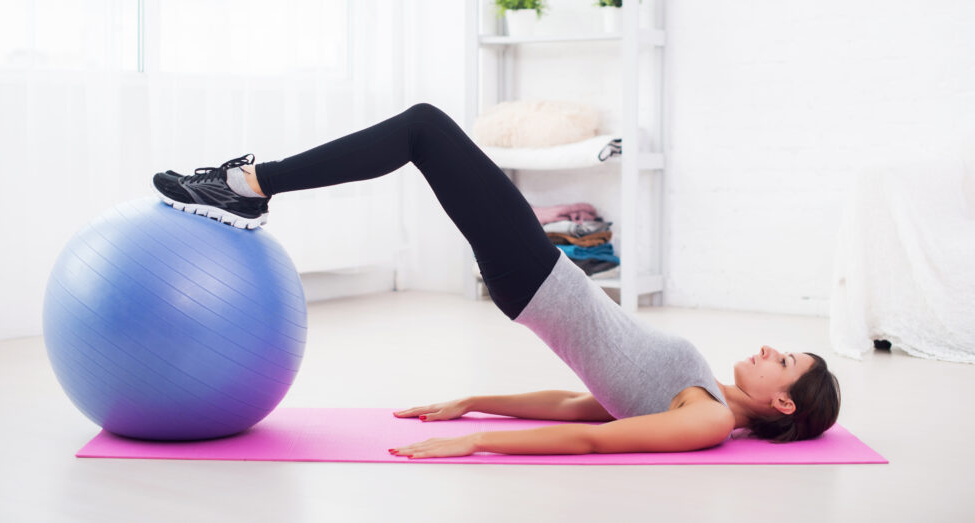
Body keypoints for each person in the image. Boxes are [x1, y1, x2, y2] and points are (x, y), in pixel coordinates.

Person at [153, 103, 841, 459]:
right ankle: (249, 183)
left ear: (784, 403)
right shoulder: (703, 396)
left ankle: (248, 184)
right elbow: (583, 406)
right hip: (543, 275)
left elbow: (592, 444)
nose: (766, 350)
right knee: (424, 131)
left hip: (539, 278)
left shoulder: (710, 419)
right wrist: (473, 402)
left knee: (424, 128)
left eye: (782, 361)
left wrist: (477, 442)